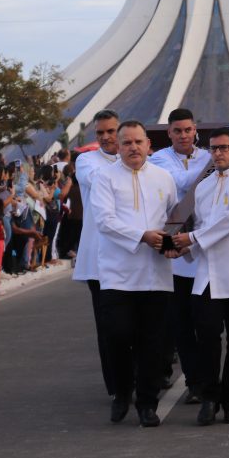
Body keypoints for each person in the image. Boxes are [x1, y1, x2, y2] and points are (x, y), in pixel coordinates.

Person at [169, 127, 229, 426]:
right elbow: (202, 225)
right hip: (210, 273)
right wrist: (184, 250)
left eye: (225, 148)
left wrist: (191, 239)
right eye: (214, 149)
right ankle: (210, 397)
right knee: (208, 338)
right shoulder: (204, 187)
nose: (219, 153)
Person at [90, 120, 177, 427]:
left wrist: (173, 242)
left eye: (138, 142)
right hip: (117, 273)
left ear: (148, 144)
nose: (133, 148)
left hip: (155, 273)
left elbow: (175, 219)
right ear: (119, 145)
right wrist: (142, 235)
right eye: (127, 143)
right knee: (117, 335)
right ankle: (122, 392)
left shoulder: (164, 177)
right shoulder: (105, 177)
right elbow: (104, 220)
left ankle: (147, 403)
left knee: (151, 342)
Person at [147, 108, 212, 402]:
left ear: (195, 129)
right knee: (182, 324)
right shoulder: (159, 159)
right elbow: (179, 183)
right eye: (177, 131)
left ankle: (211, 378)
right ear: (169, 133)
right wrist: (210, 169)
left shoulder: (207, 154)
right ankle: (195, 382)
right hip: (175, 252)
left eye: (188, 130)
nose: (184, 136)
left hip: (204, 247)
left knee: (207, 324)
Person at [72, 109, 123, 398]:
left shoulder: (137, 160)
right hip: (98, 259)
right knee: (108, 328)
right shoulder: (87, 161)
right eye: (100, 133)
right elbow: (104, 180)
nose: (105, 138)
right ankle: (116, 386)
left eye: (111, 131)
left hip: (133, 257)